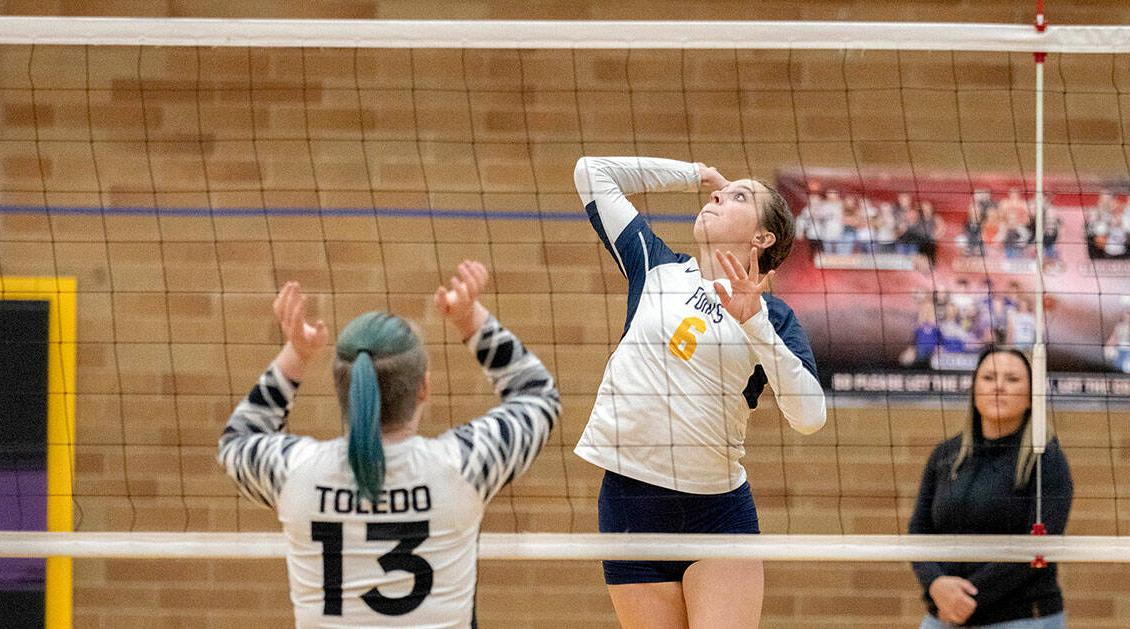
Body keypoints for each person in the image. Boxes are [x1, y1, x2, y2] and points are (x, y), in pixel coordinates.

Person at [218, 260, 560, 628]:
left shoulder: (294, 472)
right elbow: (537, 395)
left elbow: (240, 438)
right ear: (423, 388)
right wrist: (469, 319)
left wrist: (296, 356)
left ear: (342, 392)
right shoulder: (465, 466)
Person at [572, 155, 827, 629]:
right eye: (720, 192)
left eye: (738, 196)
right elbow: (591, 172)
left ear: (762, 238)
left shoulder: (773, 317)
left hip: (715, 512)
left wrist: (755, 325)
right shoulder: (655, 267)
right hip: (630, 508)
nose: (716, 197)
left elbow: (810, 416)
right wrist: (696, 173)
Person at [909, 345, 1073, 628]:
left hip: (1019, 616)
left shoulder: (1046, 458)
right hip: (944, 613)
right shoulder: (946, 455)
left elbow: (1038, 546)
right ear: (974, 390)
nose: (998, 387)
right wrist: (936, 584)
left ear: (1032, 396)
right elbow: (919, 531)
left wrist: (967, 597)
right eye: (988, 378)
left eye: (1012, 379)